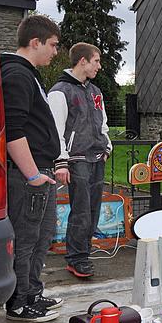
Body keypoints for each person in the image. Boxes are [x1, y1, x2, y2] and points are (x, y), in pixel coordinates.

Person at [1, 15, 63, 322]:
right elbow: (13, 130)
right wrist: (32, 174)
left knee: (43, 234)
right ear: (35, 42)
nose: (55, 52)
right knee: (25, 237)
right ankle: (18, 303)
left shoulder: (29, 74)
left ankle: (33, 292)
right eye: (52, 45)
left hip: (41, 169)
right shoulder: (16, 74)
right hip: (30, 172)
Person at [48, 43, 112, 279]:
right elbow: (56, 129)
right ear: (82, 61)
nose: (99, 66)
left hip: (97, 157)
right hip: (77, 160)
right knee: (81, 210)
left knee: (93, 210)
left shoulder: (95, 91)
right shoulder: (60, 91)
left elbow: (102, 122)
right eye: (96, 61)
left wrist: (107, 147)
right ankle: (76, 258)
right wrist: (61, 162)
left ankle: (83, 252)